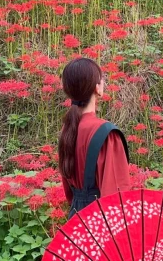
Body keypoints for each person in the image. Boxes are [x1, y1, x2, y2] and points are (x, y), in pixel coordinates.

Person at [58, 57, 131, 220]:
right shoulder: (105, 134)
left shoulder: (67, 129)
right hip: (100, 225)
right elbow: (116, 198)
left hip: (76, 222)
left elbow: (69, 193)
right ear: (97, 88)